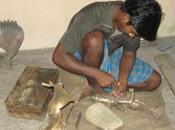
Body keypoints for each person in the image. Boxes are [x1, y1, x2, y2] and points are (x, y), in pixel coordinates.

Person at [52, 0, 162, 98]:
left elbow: (129, 53)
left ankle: (110, 86)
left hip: (109, 52)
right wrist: (97, 73)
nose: (132, 36)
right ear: (126, 17)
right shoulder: (91, 16)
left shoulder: (133, 23)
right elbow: (58, 56)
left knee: (154, 81)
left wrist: (123, 80)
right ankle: (93, 86)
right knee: (94, 40)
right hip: (83, 53)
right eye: (133, 32)